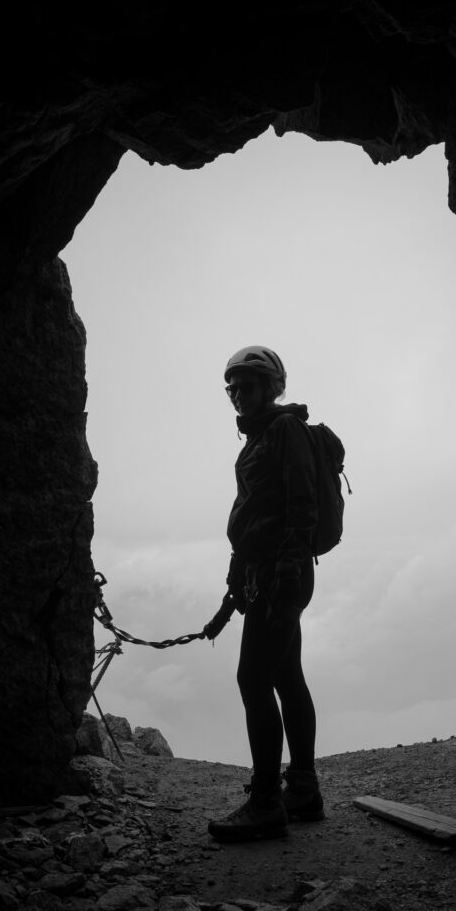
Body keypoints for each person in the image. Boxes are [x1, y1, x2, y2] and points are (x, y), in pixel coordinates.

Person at [203, 345, 324, 842]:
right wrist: (234, 587)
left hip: (280, 575)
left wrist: (288, 573)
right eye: (231, 388)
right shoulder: (257, 440)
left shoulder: (284, 431)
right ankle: (302, 791)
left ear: (271, 387)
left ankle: (266, 803)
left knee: (253, 680)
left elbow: (302, 503)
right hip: (266, 573)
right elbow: (252, 516)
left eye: (246, 386)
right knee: (285, 676)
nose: (236, 395)